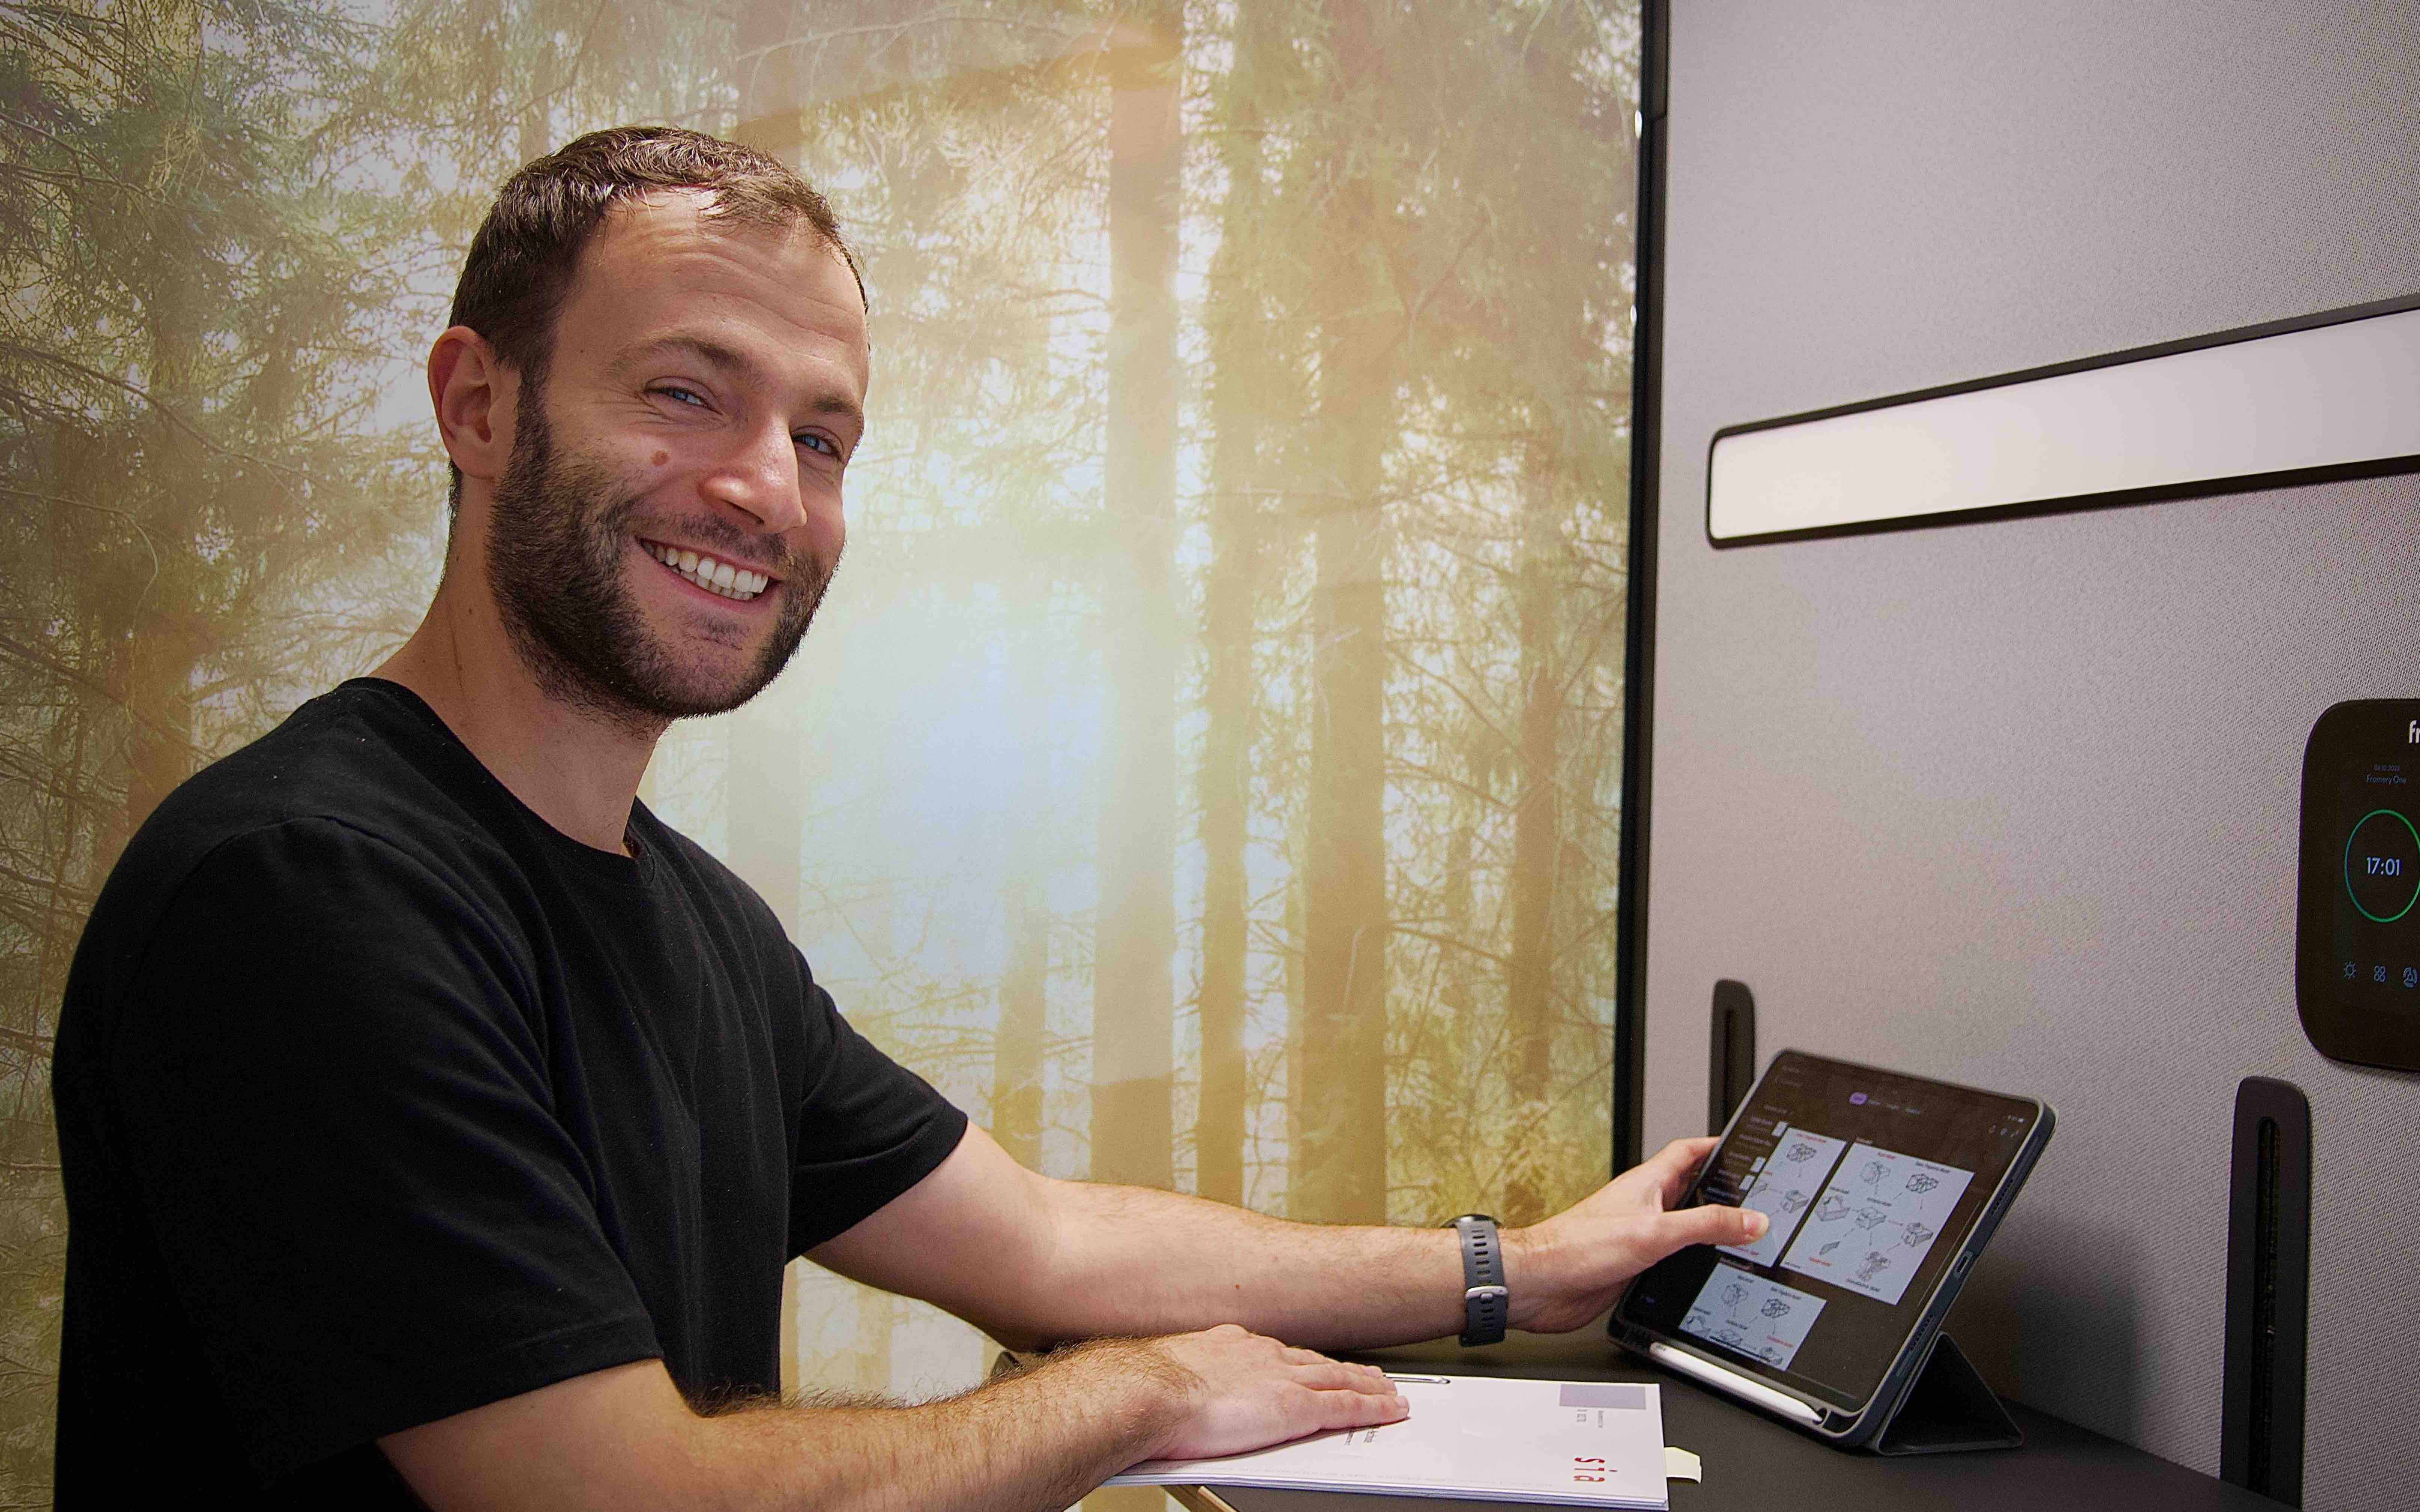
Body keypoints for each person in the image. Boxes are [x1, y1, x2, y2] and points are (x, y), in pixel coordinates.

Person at [51, 126, 1763, 1510]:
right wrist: (1145, 1391)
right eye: (684, 392)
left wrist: (1513, 1268)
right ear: (478, 405)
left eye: (824, 435)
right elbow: (621, 1496)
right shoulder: (302, 888)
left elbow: (1038, 1239)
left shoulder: (694, 921)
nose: (768, 492)